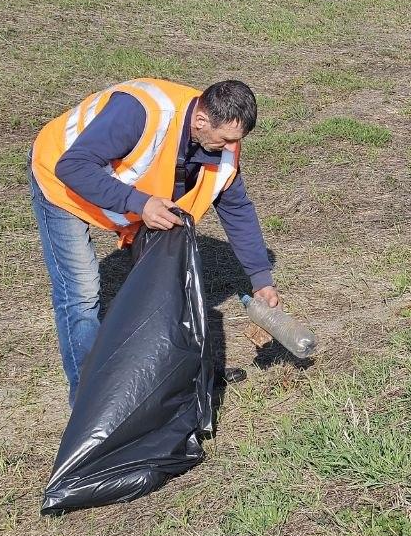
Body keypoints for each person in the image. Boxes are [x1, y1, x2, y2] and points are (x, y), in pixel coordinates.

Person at [29, 78, 281, 401]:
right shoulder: (141, 113)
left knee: (171, 283)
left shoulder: (222, 141)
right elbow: (73, 166)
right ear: (201, 121)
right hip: (60, 180)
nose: (233, 147)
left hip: (123, 194)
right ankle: (89, 403)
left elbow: (237, 209)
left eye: (238, 139)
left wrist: (261, 280)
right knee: (82, 294)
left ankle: (180, 378)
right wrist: (139, 203)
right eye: (227, 139)